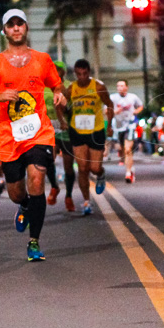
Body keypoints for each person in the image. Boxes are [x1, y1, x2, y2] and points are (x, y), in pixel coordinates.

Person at [0, 9, 65, 262]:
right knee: (16, 193)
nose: (16, 28)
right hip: (8, 137)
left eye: (19, 24)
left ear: (26, 27)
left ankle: (34, 242)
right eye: (10, 25)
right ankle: (23, 205)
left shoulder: (42, 60)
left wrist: (59, 92)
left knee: (36, 180)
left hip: (38, 133)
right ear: (5, 31)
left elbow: (56, 83)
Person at [64, 58, 113, 216]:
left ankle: (101, 174)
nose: (82, 77)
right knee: (83, 168)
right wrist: (62, 121)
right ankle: (86, 202)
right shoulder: (71, 89)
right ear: (75, 74)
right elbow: (60, 105)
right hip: (77, 131)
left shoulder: (98, 87)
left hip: (95, 130)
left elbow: (109, 104)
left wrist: (110, 125)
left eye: (85, 74)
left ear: (89, 73)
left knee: (94, 168)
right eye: (79, 74)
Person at [45, 60, 74, 208]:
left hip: (65, 130)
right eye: (52, 69)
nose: (55, 72)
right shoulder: (43, 87)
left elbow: (73, 109)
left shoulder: (69, 86)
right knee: (48, 159)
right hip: (48, 129)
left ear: (64, 72)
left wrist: (65, 107)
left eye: (58, 70)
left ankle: (68, 195)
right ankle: (54, 186)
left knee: (68, 165)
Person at [110, 80, 144, 183]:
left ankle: (128, 173)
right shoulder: (113, 98)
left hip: (130, 125)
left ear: (126, 87)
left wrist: (136, 111)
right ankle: (130, 167)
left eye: (122, 86)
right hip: (118, 126)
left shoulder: (132, 97)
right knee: (122, 150)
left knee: (128, 149)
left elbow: (140, 106)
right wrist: (114, 111)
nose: (119, 87)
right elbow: (105, 110)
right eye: (118, 86)